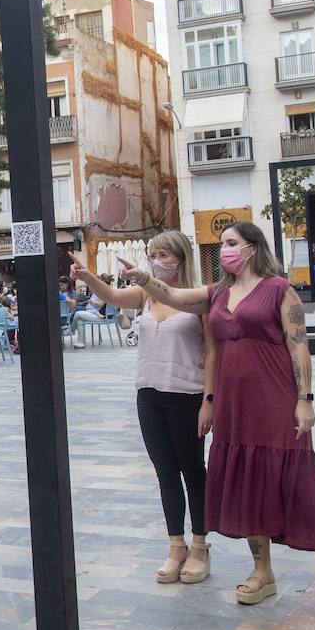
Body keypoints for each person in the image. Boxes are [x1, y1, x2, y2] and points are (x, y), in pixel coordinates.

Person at [118, 222, 315, 618]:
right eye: (223, 243)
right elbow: (172, 294)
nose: (224, 250)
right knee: (249, 481)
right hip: (234, 405)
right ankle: (263, 572)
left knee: (299, 482)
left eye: (231, 243)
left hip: (275, 399)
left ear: (251, 247)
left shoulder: (279, 289)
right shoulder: (217, 293)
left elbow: (300, 348)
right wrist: (143, 277)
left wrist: (305, 400)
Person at [71, 232, 214, 584]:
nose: (156, 260)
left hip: (187, 393)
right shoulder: (147, 295)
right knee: (165, 472)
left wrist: (210, 401)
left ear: (180, 257)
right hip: (149, 394)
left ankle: (200, 546)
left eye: (163, 254)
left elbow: (213, 352)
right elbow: (114, 296)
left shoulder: (197, 298)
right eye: (152, 254)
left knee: (193, 472)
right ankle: (175, 545)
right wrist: (89, 277)